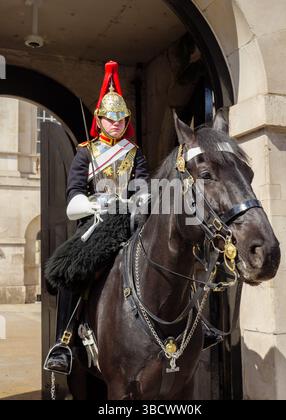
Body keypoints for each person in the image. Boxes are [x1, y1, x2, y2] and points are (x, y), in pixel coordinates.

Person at [44, 61, 149, 374]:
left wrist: (142, 198)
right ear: (99, 120)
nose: (116, 123)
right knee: (67, 270)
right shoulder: (85, 152)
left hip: (129, 221)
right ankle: (64, 343)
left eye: (121, 118)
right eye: (110, 117)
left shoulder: (135, 152)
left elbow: (141, 185)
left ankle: (198, 326)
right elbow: (74, 194)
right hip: (96, 225)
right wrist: (93, 205)